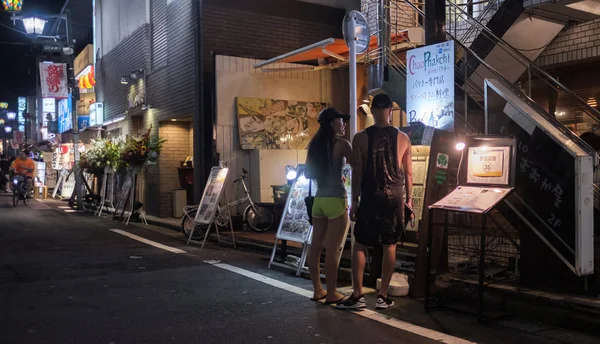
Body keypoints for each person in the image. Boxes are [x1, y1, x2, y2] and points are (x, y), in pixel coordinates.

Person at [337, 94, 413, 310]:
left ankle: (358, 294)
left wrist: (354, 201)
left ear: (372, 110)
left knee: (360, 243)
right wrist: (409, 201)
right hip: (394, 197)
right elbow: (408, 175)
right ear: (390, 110)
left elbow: (357, 172)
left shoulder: (360, 137)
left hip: (370, 195)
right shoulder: (403, 138)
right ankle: (383, 296)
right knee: (390, 244)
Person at [305, 107, 353, 304]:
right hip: (335, 200)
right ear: (333, 123)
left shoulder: (314, 144)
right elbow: (358, 166)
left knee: (315, 247)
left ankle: (318, 290)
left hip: (319, 200)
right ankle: (332, 292)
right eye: (341, 120)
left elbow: (308, 173)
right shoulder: (342, 144)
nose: (344, 124)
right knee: (333, 249)